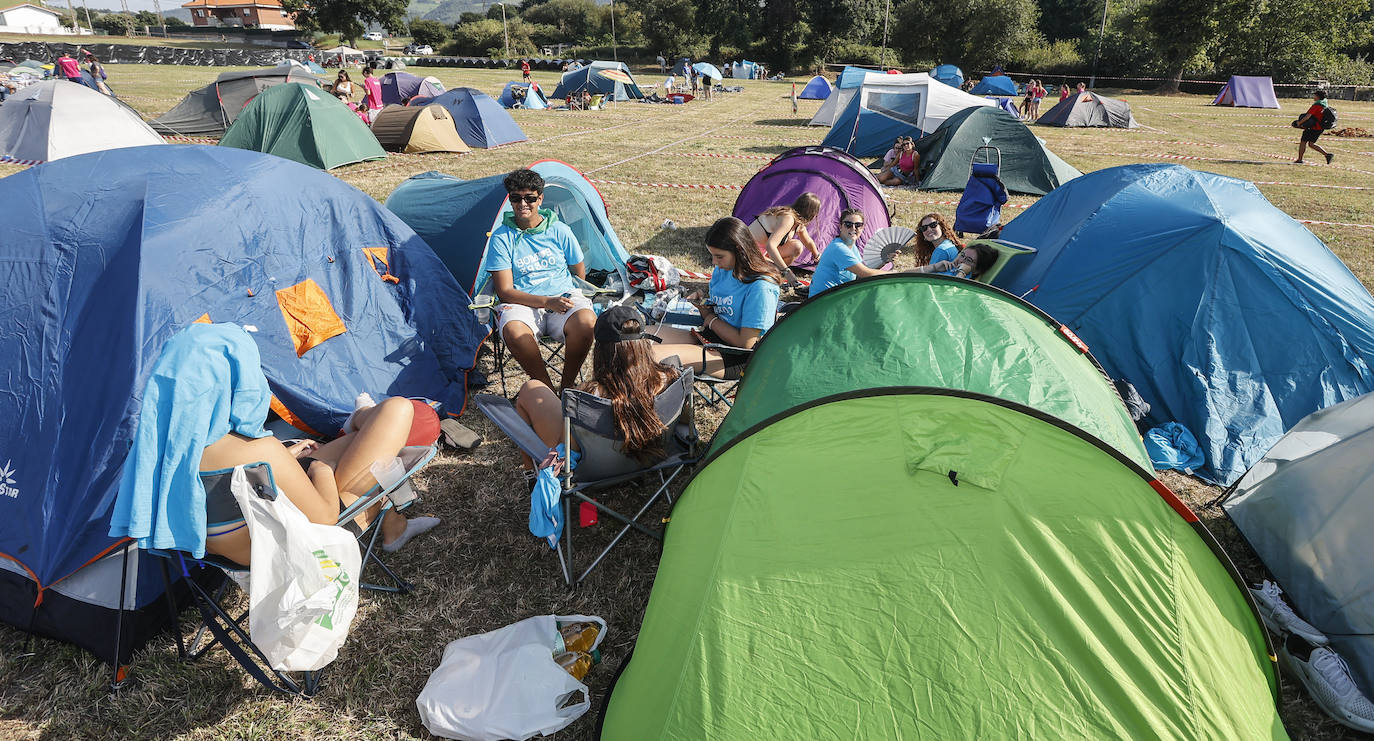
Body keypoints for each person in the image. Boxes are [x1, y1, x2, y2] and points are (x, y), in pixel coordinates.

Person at [110, 323, 440, 568]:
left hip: (239, 545)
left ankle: (361, 435)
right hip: (304, 542)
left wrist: (286, 456)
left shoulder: (158, 450)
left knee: (360, 443)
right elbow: (325, 520)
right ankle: (362, 421)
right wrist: (321, 471)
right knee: (397, 412)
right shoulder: (257, 452)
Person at [514, 305, 681, 471]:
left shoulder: (587, 395)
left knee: (531, 388)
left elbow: (566, 451)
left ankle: (529, 471)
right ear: (644, 345)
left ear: (601, 351)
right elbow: (684, 422)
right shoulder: (669, 378)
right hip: (651, 457)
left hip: (595, 469)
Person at [485, 168, 596, 391]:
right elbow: (505, 291)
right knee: (515, 332)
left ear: (540, 198)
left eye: (530, 198)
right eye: (516, 198)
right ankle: (547, 389)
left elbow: (578, 270)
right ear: (510, 200)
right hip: (521, 303)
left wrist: (563, 297)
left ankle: (567, 386)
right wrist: (546, 301)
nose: (523, 203)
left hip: (562, 298)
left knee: (586, 323)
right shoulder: (501, 237)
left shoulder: (559, 230)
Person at [650, 217, 782, 377]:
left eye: (719, 256)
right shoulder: (723, 270)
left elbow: (746, 344)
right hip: (709, 336)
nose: (714, 262)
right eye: (712, 255)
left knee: (649, 357)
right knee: (636, 339)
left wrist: (710, 319)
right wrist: (703, 303)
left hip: (735, 356)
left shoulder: (761, 286)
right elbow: (721, 310)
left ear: (740, 251)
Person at [808, 208, 888, 297]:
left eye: (858, 225)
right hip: (823, 301)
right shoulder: (839, 248)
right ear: (840, 227)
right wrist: (899, 274)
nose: (853, 228)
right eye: (848, 224)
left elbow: (860, 273)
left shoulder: (851, 247)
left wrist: (884, 261)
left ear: (863, 228)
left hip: (835, 296)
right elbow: (865, 274)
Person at [748, 193, 821, 287]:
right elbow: (770, 246)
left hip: (762, 253)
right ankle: (775, 274)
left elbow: (808, 241)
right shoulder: (788, 218)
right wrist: (787, 272)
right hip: (748, 251)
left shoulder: (798, 222)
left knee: (797, 246)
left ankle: (775, 273)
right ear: (812, 213)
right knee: (773, 269)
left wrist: (817, 256)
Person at [1295, 89, 1335, 165]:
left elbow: (1307, 116)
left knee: (1303, 142)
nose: (1313, 97)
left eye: (1315, 95)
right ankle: (1327, 155)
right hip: (1320, 128)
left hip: (1313, 127)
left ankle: (1300, 160)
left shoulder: (1316, 105)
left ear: (1318, 96)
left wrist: (1299, 123)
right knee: (1311, 144)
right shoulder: (1324, 103)